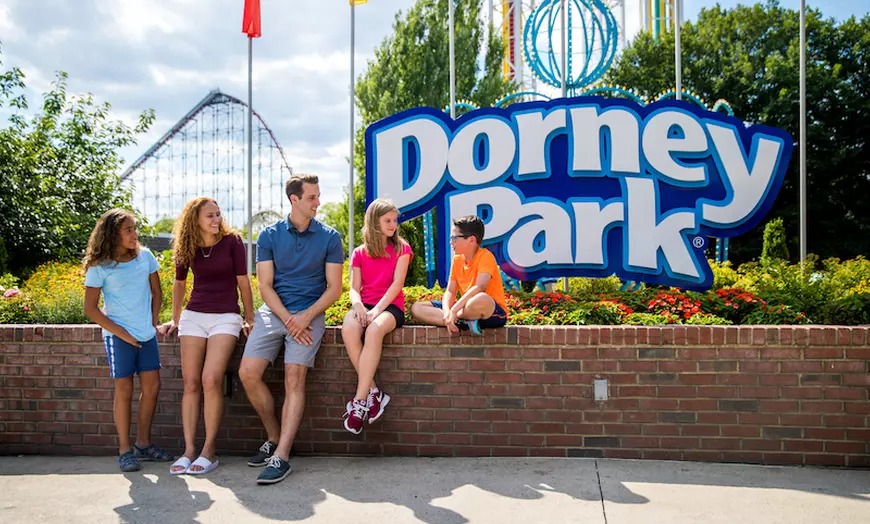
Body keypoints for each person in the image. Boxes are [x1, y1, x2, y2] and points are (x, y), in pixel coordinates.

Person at [239, 173, 343, 485]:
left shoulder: (330, 237)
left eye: (318, 196)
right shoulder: (270, 236)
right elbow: (265, 286)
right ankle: (273, 435)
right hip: (275, 313)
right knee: (247, 373)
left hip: (310, 313)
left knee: (294, 378)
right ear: (294, 199)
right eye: (312, 197)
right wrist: (288, 319)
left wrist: (305, 316)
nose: (318, 203)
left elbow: (334, 289)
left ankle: (281, 456)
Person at [157, 197, 255, 475]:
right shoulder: (186, 245)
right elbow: (179, 284)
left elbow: (243, 282)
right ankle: (189, 450)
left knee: (210, 379)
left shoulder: (233, 241)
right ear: (195, 220)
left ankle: (208, 451)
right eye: (210, 216)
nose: (216, 220)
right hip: (194, 317)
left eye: (218, 214)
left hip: (226, 316)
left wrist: (249, 318)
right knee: (190, 382)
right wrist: (175, 320)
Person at [83, 208, 173, 472]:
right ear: (113, 235)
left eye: (135, 228)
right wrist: (122, 334)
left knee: (152, 388)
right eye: (129, 230)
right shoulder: (100, 267)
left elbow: (157, 293)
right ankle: (124, 450)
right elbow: (90, 308)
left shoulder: (145, 257)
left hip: (145, 335)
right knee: (124, 391)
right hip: (118, 337)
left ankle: (143, 444)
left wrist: (152, 322)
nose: (135, 234)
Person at [341, 199, 413, 434]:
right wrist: (359, 305)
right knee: (349, 329)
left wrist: (375, 312)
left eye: (395, 220)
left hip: (391, 307)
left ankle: (359, 402)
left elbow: (396, 285)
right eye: (387, 220)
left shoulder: (403, 249)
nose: (393, 225)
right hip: (366, 304)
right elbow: (353, 288)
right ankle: (375, 393)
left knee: (373, 331)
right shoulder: (359, 253)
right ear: (374, 222)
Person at [410, 215, 508, 334]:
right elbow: (450, 291)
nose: (451, 242)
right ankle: (462, 322)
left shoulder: (486, 256)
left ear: (471, 240)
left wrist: (454, 311)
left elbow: (480, 287)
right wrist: (447, 311)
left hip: (490, 312)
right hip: (463, 309)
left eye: (455, 238)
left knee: (481, 299)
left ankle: (457, 319)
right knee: (417, 308)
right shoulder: (457, 260)